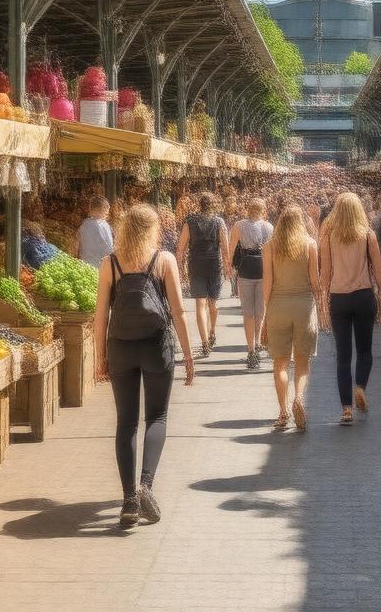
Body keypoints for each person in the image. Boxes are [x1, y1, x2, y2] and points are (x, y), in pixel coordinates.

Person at [93, 204, 195, 528]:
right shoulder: (163, 260)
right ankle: (145, 485)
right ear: (153, 230)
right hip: (156, 346)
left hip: (120, 347)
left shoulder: (109, 263)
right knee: (157, 417)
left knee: (126, 423)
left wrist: (99, 357)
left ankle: (128, 501)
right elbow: (178, 312)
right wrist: (189, 355)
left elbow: (100, 316)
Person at [320, 192, 381, 425]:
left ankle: (346, 409)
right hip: (364, 296)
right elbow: (378, 271)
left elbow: (325, 273)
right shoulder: (368, 235)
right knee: (365, 350)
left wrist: (322, 300)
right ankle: (361, 386)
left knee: (343, 356)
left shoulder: (328, 236)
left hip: (339, 298)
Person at [263, 204, 320, 431]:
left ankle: (283, 412)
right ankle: (299, 398)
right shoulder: (310, 245)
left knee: (280, 364)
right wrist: (322, 306)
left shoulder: (269, 247)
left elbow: (267, 283)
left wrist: (266, 313)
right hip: (304, 306)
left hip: (278, 306)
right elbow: (315, 282)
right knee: (303, 363)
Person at [176, 192, 229, 358]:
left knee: (200, 304)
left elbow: (180, 248)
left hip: (196, 264)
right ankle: (212, 331)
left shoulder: (190, 222)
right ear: (213, 205)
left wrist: (179, 266)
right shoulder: (219, 222)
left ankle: (204, 342)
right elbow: (225, 248)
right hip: (214, 264)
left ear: (199, 204)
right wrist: (227, 265)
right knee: (213, 303)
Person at [228, 198, 274, 370]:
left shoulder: (239, 225)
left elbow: (232, 247)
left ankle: (251, 350)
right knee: (260, 312)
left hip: (246, 269)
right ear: (263, 210)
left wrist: (229, 266)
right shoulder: (269, 227)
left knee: (248, 312)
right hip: (263, 270)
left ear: (248, 208)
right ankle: (257, 344)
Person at [76, 195, 114, 268]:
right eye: (107, 213)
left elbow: (79, 244)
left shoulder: (84, 225)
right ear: (104, 210)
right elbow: (109, 246)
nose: (107, 215)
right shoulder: (104, 225)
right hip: (101, 264)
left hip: (86, 263)